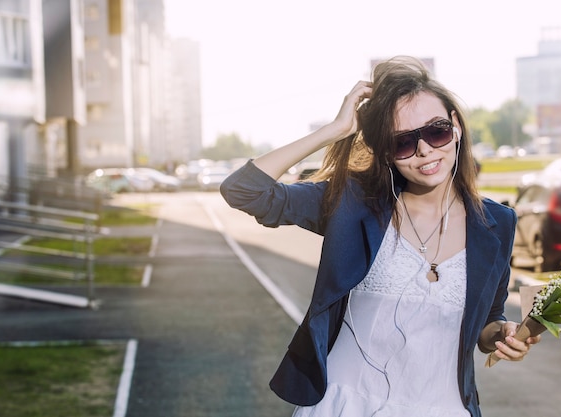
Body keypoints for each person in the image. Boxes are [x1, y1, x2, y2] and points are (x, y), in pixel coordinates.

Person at [220, 55, 540, 417]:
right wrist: (335, 130)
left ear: (456, 127)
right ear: (385, 152)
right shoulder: (352, 202)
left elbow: (487, 321)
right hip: (344, 406)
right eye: (403, 141)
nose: (424, 150)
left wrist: (503, 335)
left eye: (436, 131)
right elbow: (244, 190)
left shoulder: (498, 223)